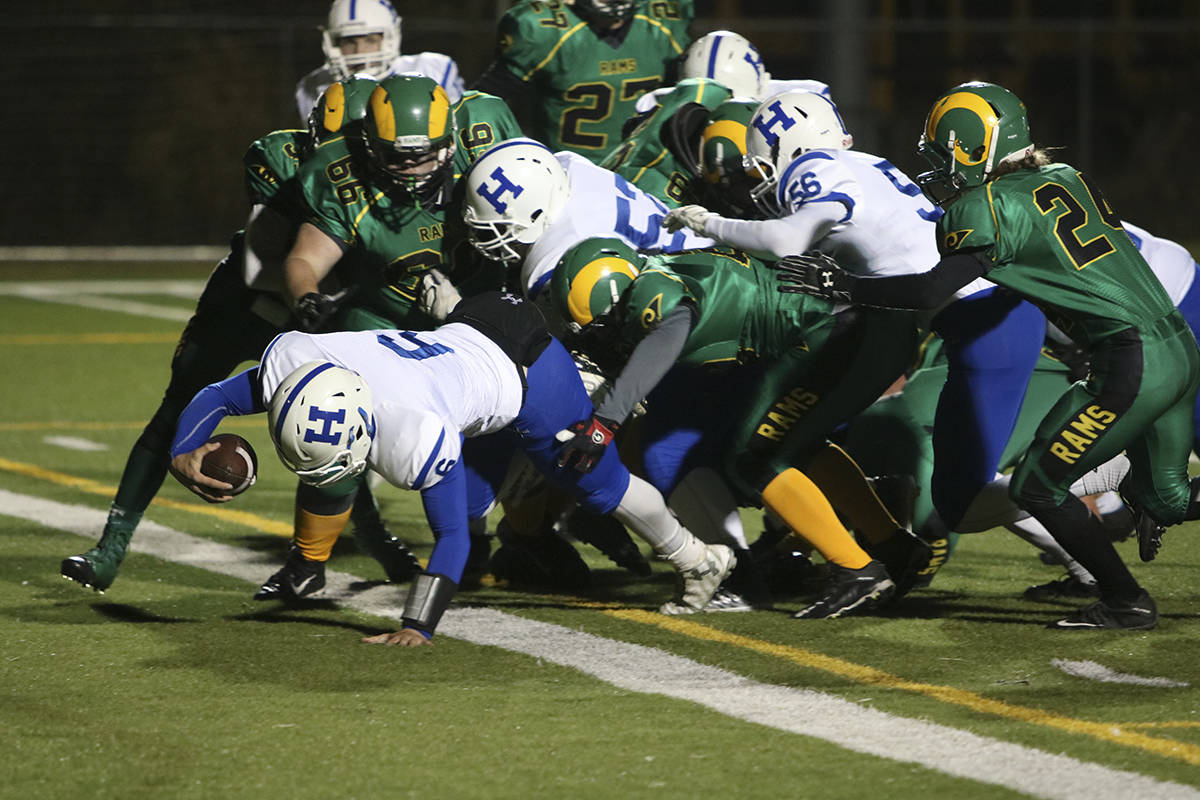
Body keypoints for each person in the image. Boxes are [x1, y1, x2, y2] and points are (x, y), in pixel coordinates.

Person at [777, 81, 1200, 630]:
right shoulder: (1066, 176)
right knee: (1165, 499)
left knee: (1036, 488)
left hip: (1131, 360)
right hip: (1178, 345)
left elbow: (932, 291)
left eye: (941, 152)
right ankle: (1119, 559)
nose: (935, 167)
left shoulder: (987, 206)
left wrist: (845, 285)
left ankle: (1125, 599)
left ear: (973, 148)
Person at [167, 293, 736, 644]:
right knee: (469, 501)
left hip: (528, 374)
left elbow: (449, 543)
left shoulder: (413, 429)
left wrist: (416, 626)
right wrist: (181, 451)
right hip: (467, 341)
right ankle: (522, 456)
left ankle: (699, 559)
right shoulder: (300, 366)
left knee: (593, 483)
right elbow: (216, 396)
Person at [59, 84, 421, 593]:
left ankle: (367, 543)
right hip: (245, 304)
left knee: (335, 423)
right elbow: (266, 261)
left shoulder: (387, 185)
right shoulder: (277, 156)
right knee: (176, 409)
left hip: (311, 317)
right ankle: (109, 548)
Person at [249, 74, 524, 598]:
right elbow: (305, 259)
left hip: (481, 317)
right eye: (398, 158)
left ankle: (512, 536)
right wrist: (305, 296)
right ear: (371, 146)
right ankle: (307, 559)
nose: (415, 170)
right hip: (385, 321)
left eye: (427, 156)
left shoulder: (484, 140)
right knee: (332, 417)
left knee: (514, 425)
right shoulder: (343, 177)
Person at [549, 238, 925, 617]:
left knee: (755, 457)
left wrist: (605, 423)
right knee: (793, 444)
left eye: (604, 325)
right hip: (870, 328)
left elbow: (670, 328)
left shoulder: (653, 288)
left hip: (843, 334)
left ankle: (857, 571)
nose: (607, 336)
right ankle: (894, 545)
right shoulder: (669, 267)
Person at [460, 137, 715, 302]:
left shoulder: (557, 252)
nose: (492, 239)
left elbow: (545, 342)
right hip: (707, 253)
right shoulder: (568, 167)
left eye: (500, 229)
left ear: (536, 215)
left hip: (697, 290)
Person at [471, 0, 692, 164]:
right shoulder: (543, 29)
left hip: (642, 169)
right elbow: (481, 104)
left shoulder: (664, 19)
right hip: (566, 172)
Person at [295, 0, 463, 121]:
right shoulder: (314, 86)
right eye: (349, 41)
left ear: (390, 38)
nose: (359, 51)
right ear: (333, 44)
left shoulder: (432, 69)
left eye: (370, 40)